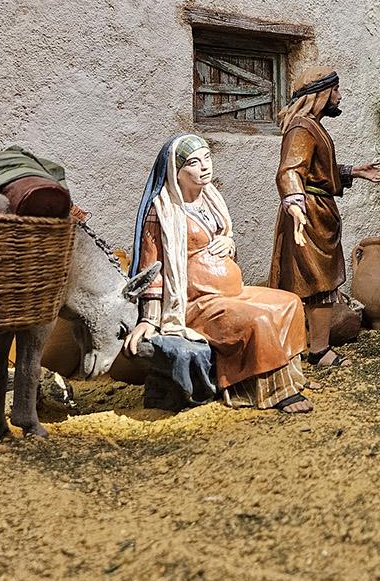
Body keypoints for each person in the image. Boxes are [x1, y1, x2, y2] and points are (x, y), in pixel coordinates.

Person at [125, 134, 311, 414]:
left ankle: (290, 378)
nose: (204, 167)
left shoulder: (210, 198)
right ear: (176, 170)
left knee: (289, 304)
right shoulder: (162, 211)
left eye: (207, 158)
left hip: (231, 293)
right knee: (258, 320)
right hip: (196, 303)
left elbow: (225, 238)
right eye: (193, 162)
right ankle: (271, 391)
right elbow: (152, 269)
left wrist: (229, 242)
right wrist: (149, 320)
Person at [270, 65, 380, 369]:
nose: (339, 95)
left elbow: (318, 173)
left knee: (318, 285)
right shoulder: (303, 127)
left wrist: (352, 172)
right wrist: (295, 206)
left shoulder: (312, 126)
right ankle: (317, 351)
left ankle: (312, 348)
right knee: (315, 284)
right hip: (307, 216)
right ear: (320, 94)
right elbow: (291, 170)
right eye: (334, 90)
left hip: (317, 212)